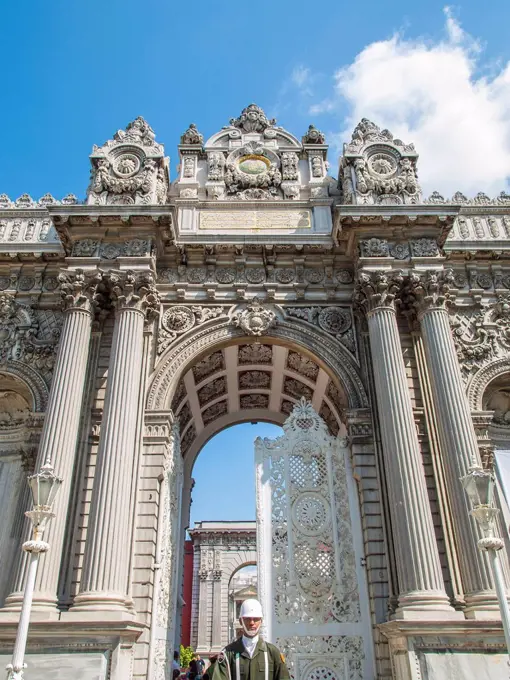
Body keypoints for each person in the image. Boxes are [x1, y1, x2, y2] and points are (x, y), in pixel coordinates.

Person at [208, 599, 290, 680]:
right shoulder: (228, 654)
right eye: (247, 619)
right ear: (241, 621)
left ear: (261, 621)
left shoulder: (272, 653)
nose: (252, 623)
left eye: (256, 619)